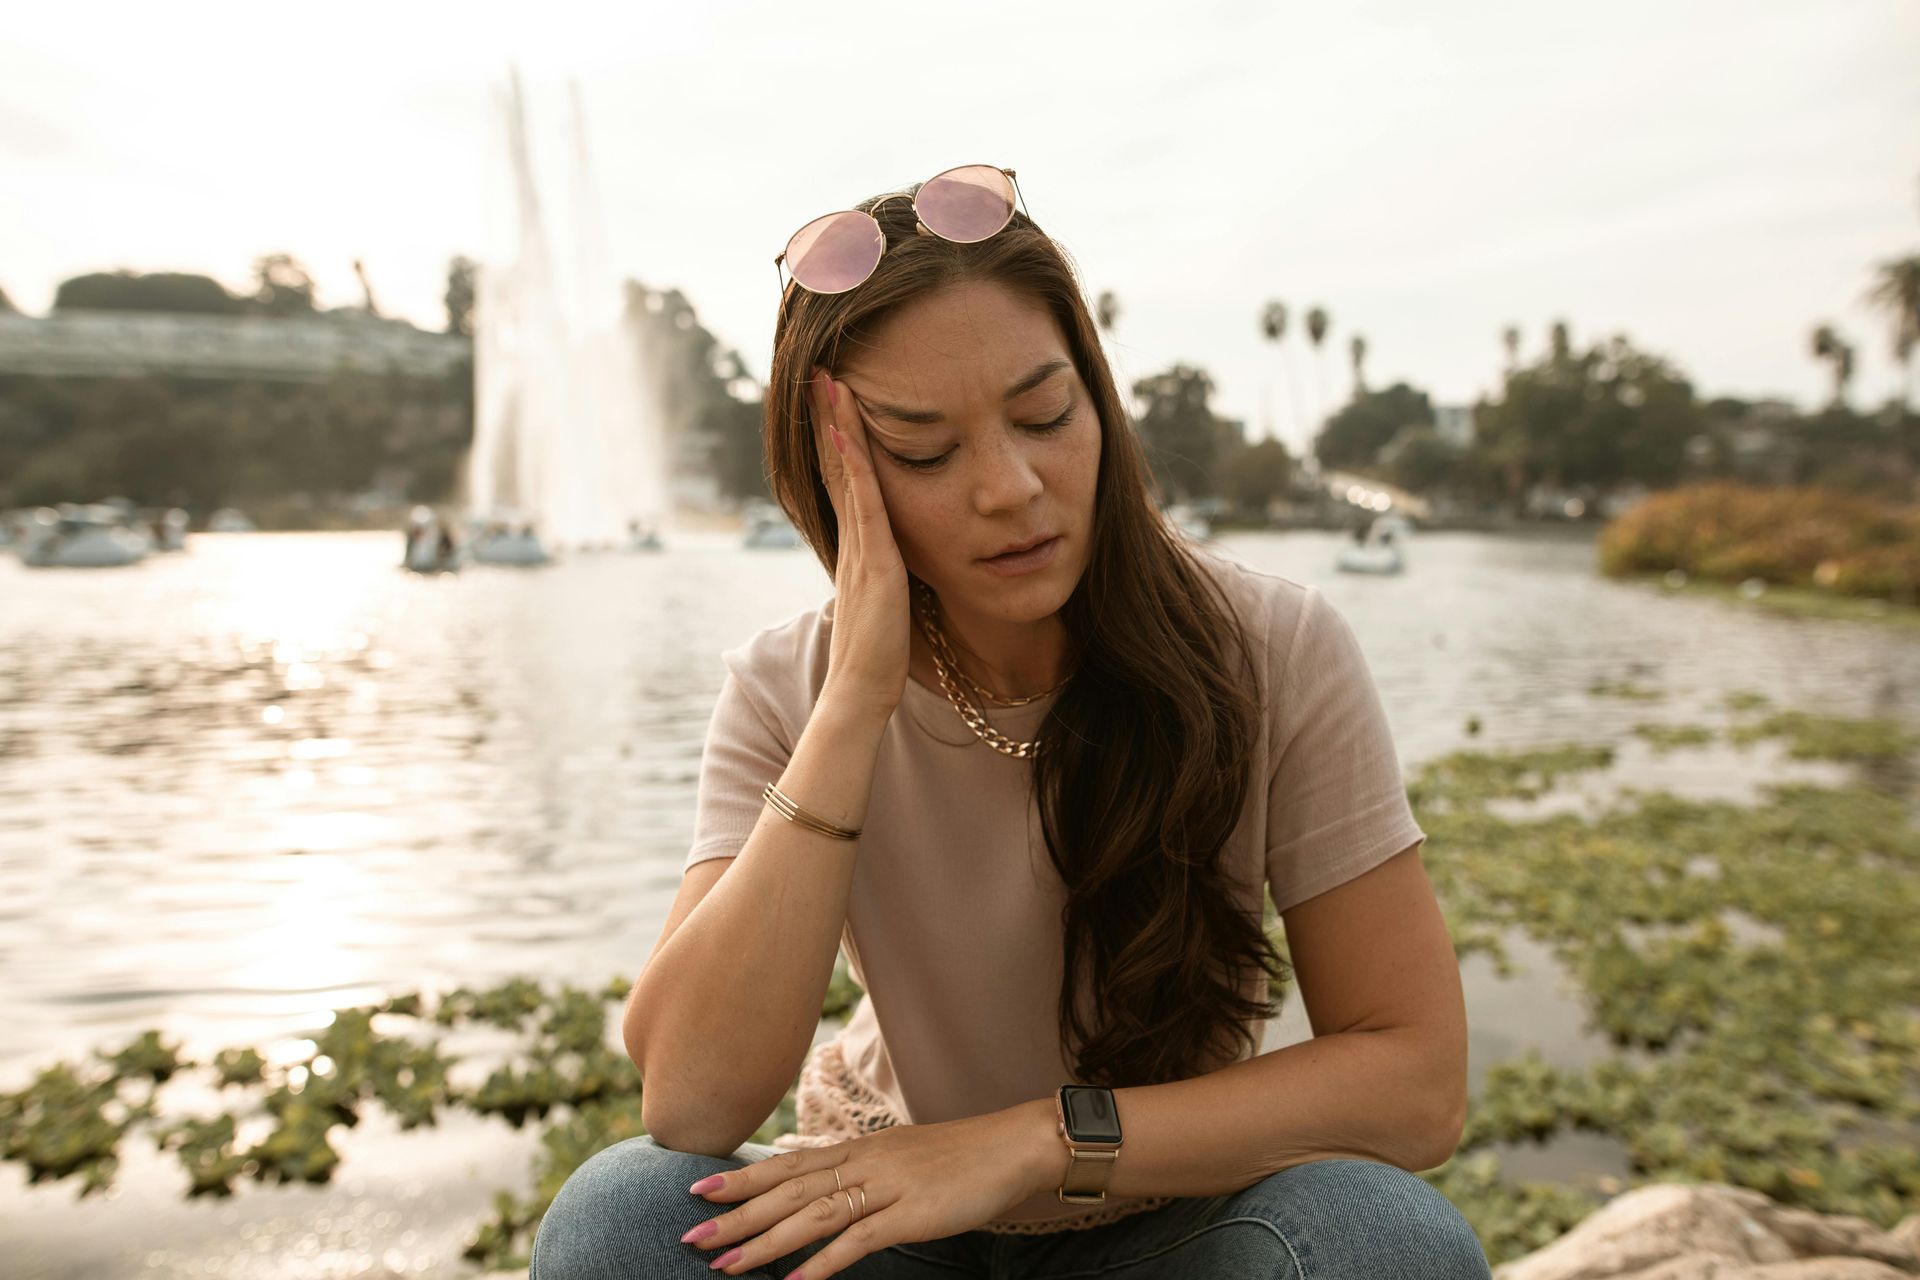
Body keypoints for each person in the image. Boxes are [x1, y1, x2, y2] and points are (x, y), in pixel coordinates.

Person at [532, 165, 1485, 1279]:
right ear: (837, 471)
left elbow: (1417, 1085)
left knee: (1384, 1240)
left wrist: (1030, 1142)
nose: (1012, 486)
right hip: (888, 1218)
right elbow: (691, 1099)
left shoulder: (1274, 648)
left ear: (1096, 395)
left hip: (1174, 1215)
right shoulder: (786, 687)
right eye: (927, 451)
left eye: (1044, 414)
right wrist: (854, 705)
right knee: (621, 1220)